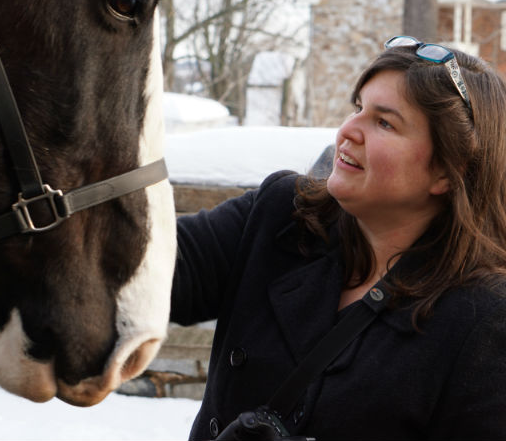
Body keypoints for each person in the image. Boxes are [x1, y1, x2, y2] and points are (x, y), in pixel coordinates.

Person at [171, 36, 506, 440]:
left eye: (384, 122)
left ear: (448, 171)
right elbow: (141, 267)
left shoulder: (485, 320)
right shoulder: (280, 215)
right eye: (358, 107)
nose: (349, 130)